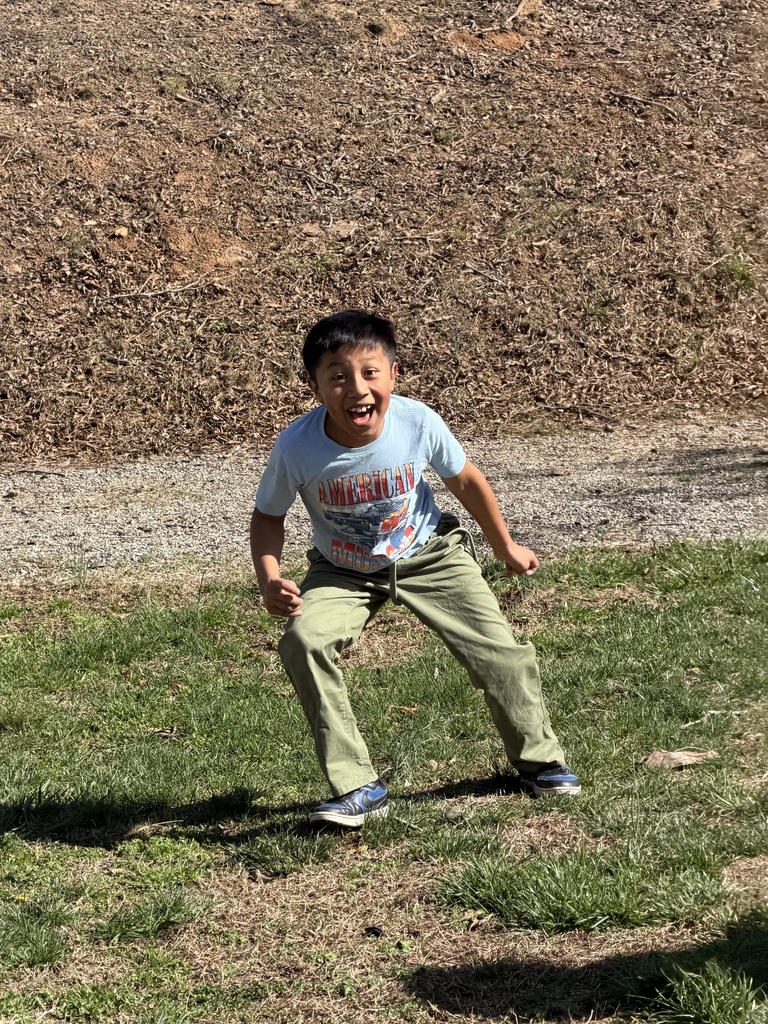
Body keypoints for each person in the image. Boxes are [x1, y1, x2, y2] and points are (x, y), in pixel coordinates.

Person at [250, 310, 580, 827]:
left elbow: (465, 480)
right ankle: (357, 786)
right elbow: (268, 516)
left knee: (501, 654)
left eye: (369, 372)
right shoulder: (297, 446)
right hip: (342, 569)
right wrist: (270, 578)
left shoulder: (417, 421)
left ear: (393, 374)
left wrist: (505, 545)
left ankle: (541, 762)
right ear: (314, 385)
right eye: (337, 376)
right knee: (303, 641)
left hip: (430, 554)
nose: (356, 388)